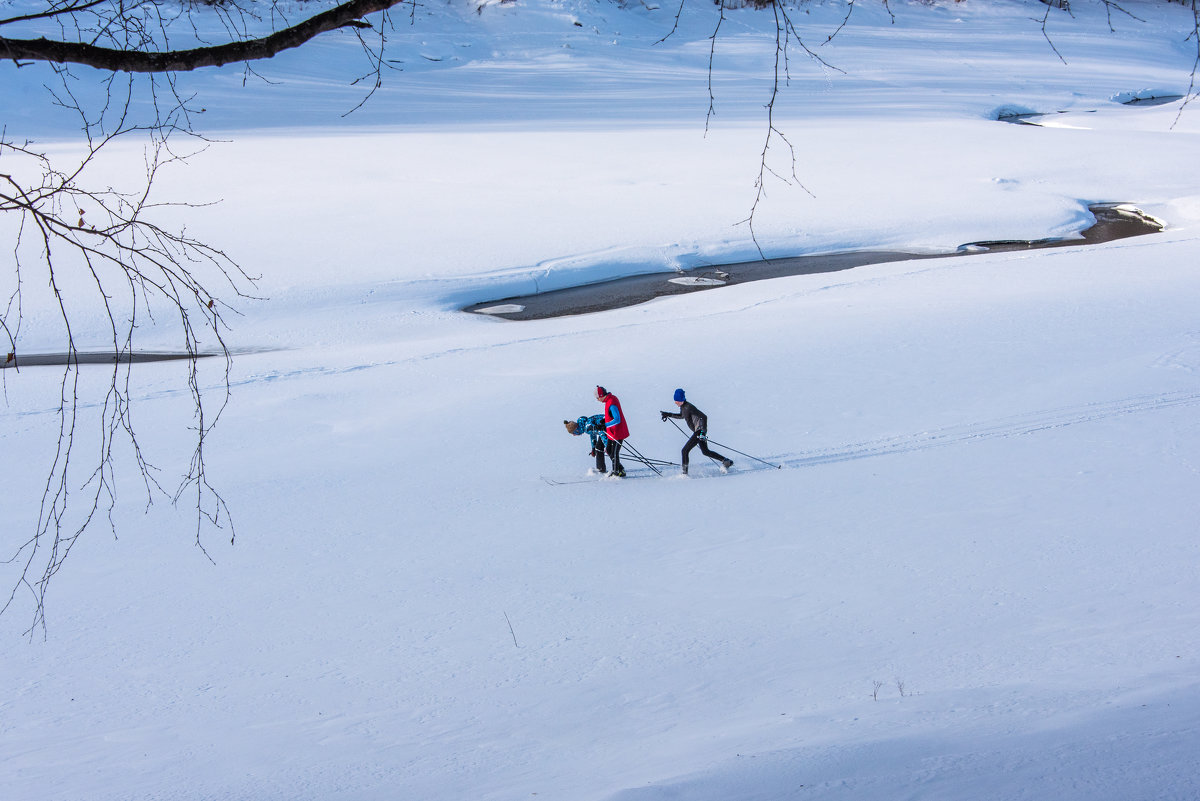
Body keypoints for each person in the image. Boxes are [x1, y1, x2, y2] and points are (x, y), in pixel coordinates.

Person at [660, 388, 733, 475]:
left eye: (677, 401)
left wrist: (702, 432)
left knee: (684, 451)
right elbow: (682, 416)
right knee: (705, 451)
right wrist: (668, 414)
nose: (675, 402)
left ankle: (684, 474)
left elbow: (704, 417)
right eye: (675, 400)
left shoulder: (689, 407)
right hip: (699, 431)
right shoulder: (683, 407)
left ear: (681, 400)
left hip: (699, 432)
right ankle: (726, 461)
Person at [595, 385, 629, 477]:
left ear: (601, 395)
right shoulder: (609, 400)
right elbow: (610, 415)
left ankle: (616, 472)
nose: (597, 400)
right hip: (612, 432)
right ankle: (620, 469)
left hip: (618, 432)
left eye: (597, 398)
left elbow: (617, 419)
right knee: (609, 450)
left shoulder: (612, 402)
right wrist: (604, 421)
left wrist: (605, 425)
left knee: (614, 452)